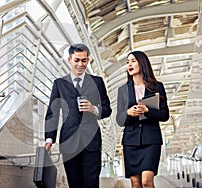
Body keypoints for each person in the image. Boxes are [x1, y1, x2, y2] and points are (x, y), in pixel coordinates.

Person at [44, 43, 112, 188]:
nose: (80, 64)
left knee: (91, 183)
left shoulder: (97, 82)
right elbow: (53, 113)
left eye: (84, 60)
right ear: (69, 60)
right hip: (69, 141)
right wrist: (49, 139)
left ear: (88, 60)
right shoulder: (59, 84)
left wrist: (93, 108)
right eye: (77, 60)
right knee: (74, 184)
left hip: (91, 141)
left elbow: (107, 109)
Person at [116, 51, 170, 188]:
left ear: (142, 63)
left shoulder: (157, 87)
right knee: (135, 184)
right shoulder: (123, 90)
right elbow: (120, 119)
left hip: (151, 140)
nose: (129, 64)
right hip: (131, 141)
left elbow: (164, 115)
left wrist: (148, 111)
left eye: (133, 61)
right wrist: (128, 113)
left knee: (147, 181)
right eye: (127, 62)